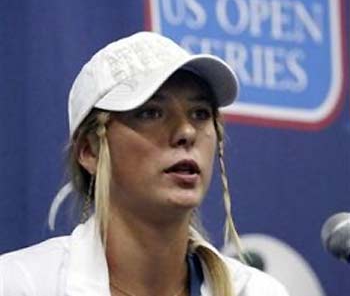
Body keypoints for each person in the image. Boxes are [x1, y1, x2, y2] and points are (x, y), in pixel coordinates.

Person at [0, 32, 289, 296]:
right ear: (90, 150)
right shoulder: (22, 284)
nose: (186, 131)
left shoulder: (255, 291)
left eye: (200, 113)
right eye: (151, 113)